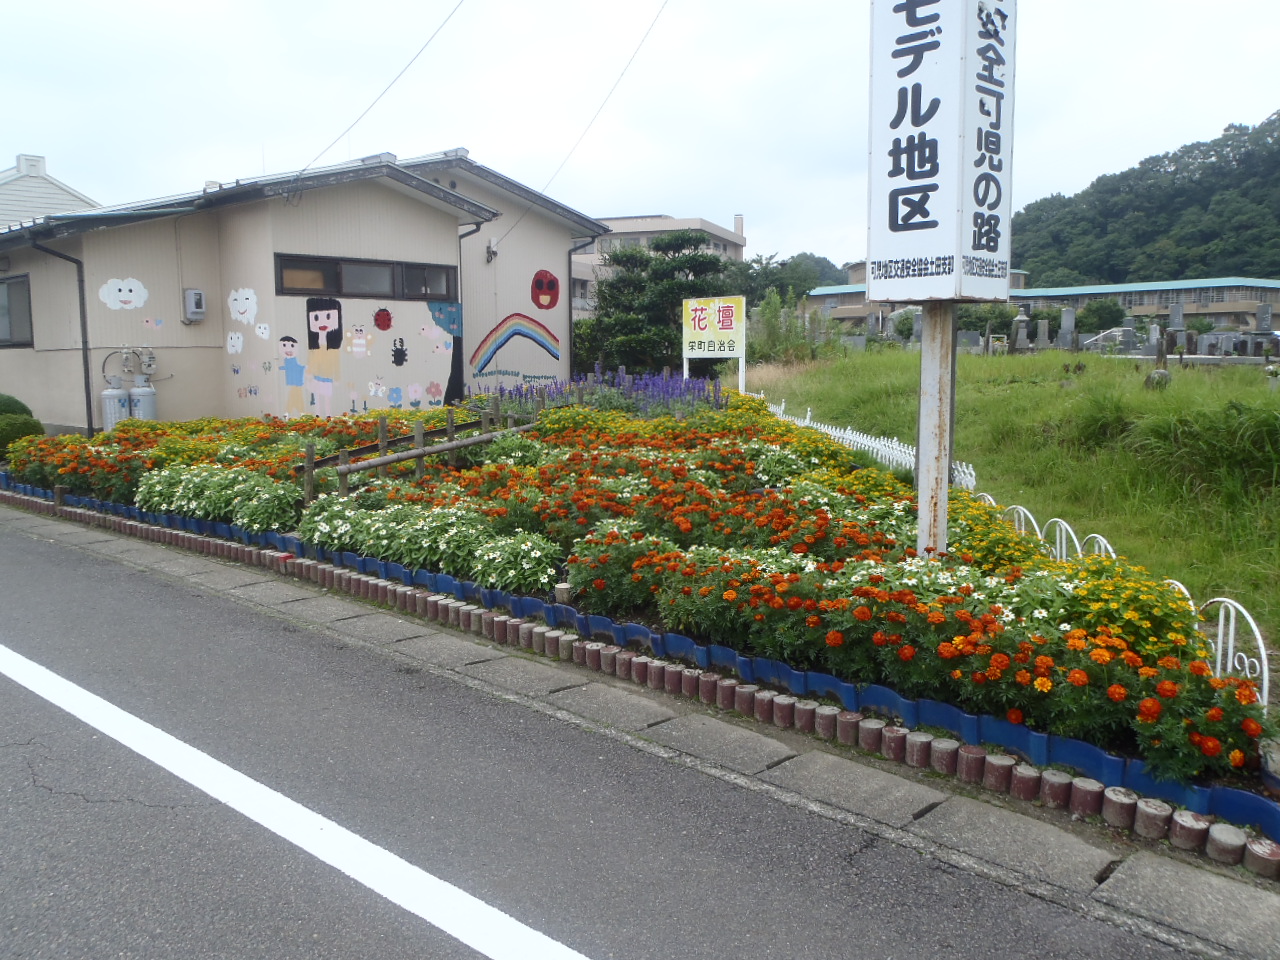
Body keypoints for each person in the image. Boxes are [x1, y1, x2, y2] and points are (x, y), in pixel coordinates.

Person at [306, 298, 343, 417]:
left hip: (327, 377)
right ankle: (318, 415)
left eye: (328, 316)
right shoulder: (314, 347)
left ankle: (328, 416)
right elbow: (312, 360)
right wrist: (309, 372)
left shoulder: (333, 348)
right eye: (316, 317)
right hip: (317, 376)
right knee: (317, 398)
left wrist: (337, 377)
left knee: (327, 398)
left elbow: (336, 363)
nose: (322, 322)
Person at [278, 336, 306, 417]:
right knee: (295, 395)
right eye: (284, 345)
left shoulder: (293, 359)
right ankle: (299, 412)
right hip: (294, 381)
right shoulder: (287, 360)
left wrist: (304, 367)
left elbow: (296, 367)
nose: (288, 349)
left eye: (292, 346)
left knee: (294, 395)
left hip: (297, 381)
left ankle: (289, 412)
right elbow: (290, 367)